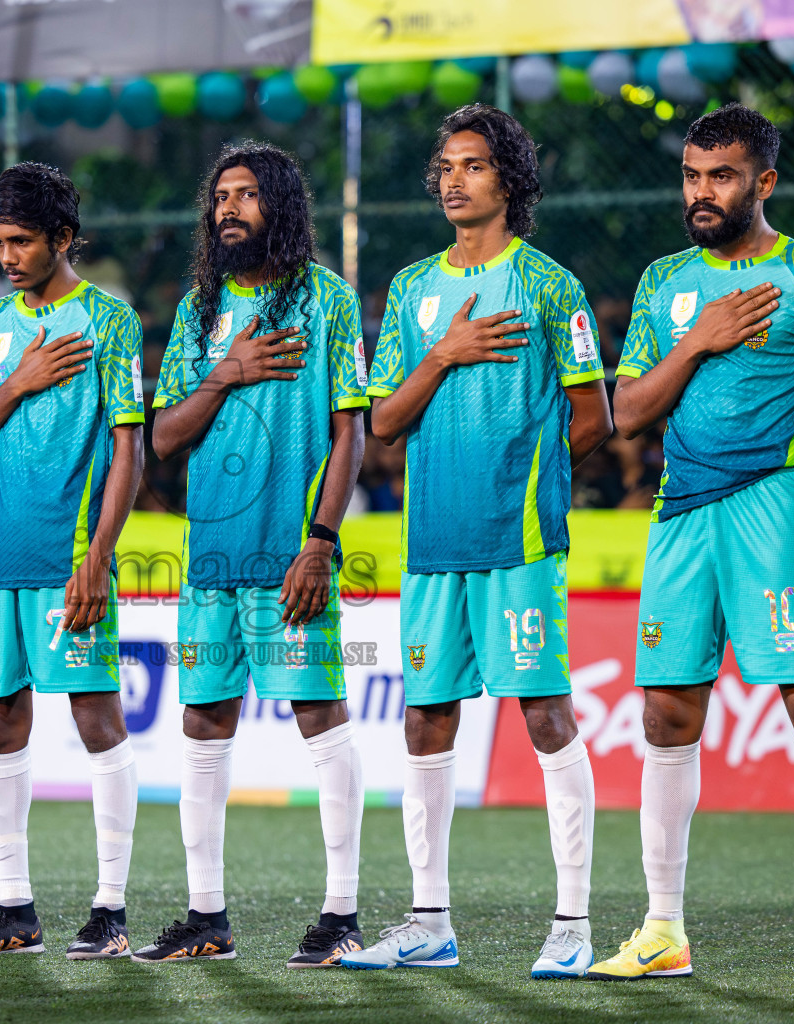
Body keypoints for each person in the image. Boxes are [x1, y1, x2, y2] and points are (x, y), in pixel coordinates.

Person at [586, 104, 794, 985]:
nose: (702, 192)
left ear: (763, 182)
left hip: (774, 514)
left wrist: (785, 464)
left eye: (721, 176)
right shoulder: (663, 282)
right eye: (691, 175)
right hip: (682, 514)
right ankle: (662, 929)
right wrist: (701, 339)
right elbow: (629, 412)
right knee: (665, 711)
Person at [343, 104, 612, 976]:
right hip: (433, 546)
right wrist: (445, 353)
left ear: (510, 181)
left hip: (521, 540)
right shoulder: (416, 290)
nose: (452, 179)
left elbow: (594, 416)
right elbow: (382, 421)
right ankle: (429, 923)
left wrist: (519, 465)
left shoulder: (549, 286)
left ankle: (572, 923)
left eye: (473, 165)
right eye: (445, 166)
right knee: (426, 718)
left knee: (542, 714)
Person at [140, 142, 369, 967]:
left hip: (290, 559)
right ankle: (207, 917)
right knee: (204, 719)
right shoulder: (199, 314)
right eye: (220, 196)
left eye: (246, 195)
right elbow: (162, 435)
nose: (228, 208)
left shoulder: (327, 303)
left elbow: (352, 432)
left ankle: (341, 915)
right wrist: (227, 372)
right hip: (211, 564)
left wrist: (320, 542)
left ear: (280, 205)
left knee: (319, 716)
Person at [0, 163, 144, 960]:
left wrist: (97, 556)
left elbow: (129, 451)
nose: (9, 256)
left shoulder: (109, 322)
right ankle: (13, 910)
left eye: (23, 242)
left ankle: (111, 908)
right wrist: (18, 382)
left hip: (69, 563)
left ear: (63, 239)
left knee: (95, 715)